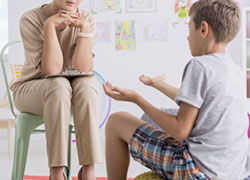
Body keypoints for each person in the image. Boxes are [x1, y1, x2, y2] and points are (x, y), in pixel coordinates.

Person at [103, 0, 250, 179]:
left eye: (189, 29)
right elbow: (200, 104)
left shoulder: (199, 65)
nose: (188, 38)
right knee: (152, 116)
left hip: (198, 171)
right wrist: (157, 85)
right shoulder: (234, 70)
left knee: (117, 121)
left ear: (203, 29)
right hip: (234, 172)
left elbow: (181, 131)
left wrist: (137, 99)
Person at [10, 0, 101, 180]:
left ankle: (88, 170)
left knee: (87, 85)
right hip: (31, 89)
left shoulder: (87, 19)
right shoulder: (30, 19)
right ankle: (57, 171)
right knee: (58, 84)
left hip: (71, 91)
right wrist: (49, 26)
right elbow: (52, 69)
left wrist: (84, 28)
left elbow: (83, 68)